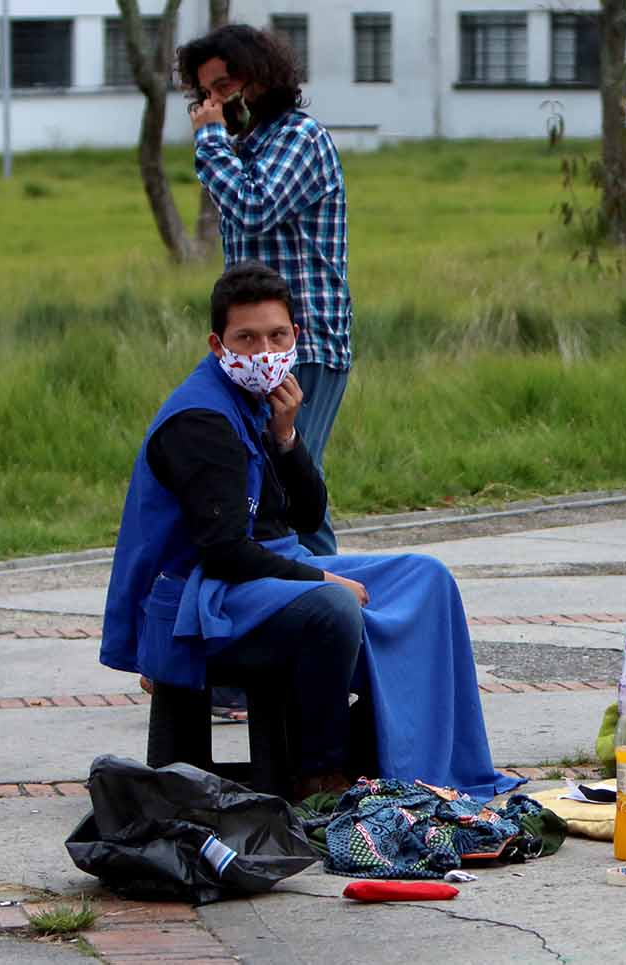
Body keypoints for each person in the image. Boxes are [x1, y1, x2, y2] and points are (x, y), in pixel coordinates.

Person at [101, 262, 519, 802]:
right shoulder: (200, 422)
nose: (263, 351)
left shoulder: (262, 401)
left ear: (295, 336)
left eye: (276, 336)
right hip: (199, 593)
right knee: (333, 608)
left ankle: (416, 759)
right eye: (245, 339)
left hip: (258, 568)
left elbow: (305, 517)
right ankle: (319, 771)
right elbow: (225, 552)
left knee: (427, 578)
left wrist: (288, 438)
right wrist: (318, 578)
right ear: (217, 344)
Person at [178, 23, 350, 557]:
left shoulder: (299, 137)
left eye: (228, 84)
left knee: (296, 480)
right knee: (269, 485)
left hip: (305, 343)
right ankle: (299, 607)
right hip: (256, 347)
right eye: (208, 92)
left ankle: (340, 612)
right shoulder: (245, 147)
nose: (219, 100)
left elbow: (255, 208)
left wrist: (208, 139)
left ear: (261, 74)